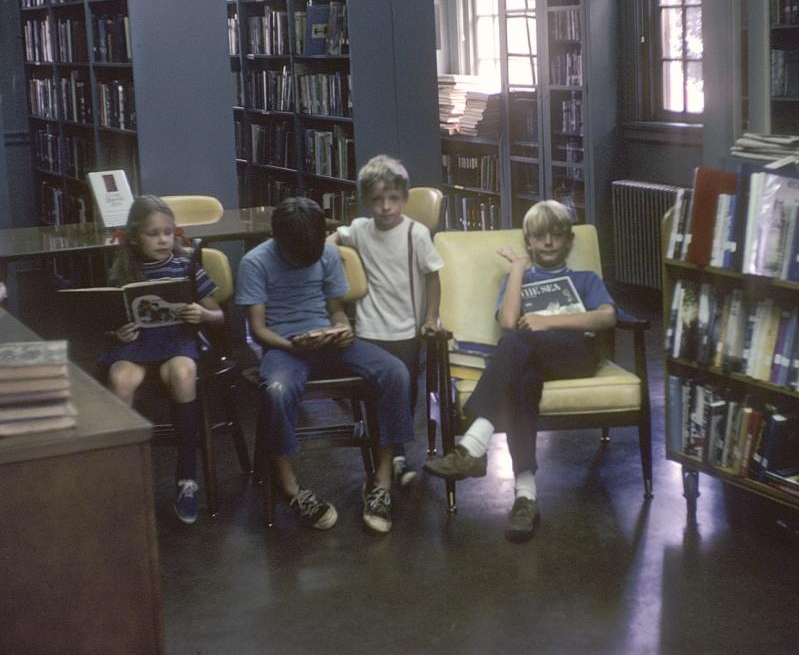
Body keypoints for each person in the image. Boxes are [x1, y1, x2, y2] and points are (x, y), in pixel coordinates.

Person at [423, 199, 616, 542]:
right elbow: (509, 321)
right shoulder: (519, 278)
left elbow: (606, 317)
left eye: (556, 235)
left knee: (514, 344)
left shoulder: (584, 279)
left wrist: (548, 321)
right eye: (539, 237)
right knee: (522, 380)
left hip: (576, 355)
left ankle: (472, 446)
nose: (548, 243)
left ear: (569, 240)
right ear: (529, 241)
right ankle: (525, 497)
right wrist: (517, 268)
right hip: (534, 361)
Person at [235, 197, 414, 534]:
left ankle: (381, 480)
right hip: (284, 344)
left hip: (328, 341)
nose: (307, 260)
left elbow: (335, 310)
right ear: (280, 242)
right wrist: (293, 344)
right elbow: (258, 330)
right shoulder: (255, 262)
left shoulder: (328, 253)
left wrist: (342, 328)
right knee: (275, 389)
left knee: (395, 372)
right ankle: (290, 487)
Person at [100, 195, 224, 525]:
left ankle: (187, 476)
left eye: (168, 232)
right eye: (153, 234)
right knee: (120, 379)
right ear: (135, 236)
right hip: (138, 344)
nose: (162, 240)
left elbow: (220, 314)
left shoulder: (186, 266)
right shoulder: (123, 269)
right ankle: (120, 477)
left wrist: (202, 314)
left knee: (183, 373)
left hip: (177, 341)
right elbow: (109, 320)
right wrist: (118, 333)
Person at [327, 155, 443, 487]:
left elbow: (433, 277)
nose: (386, 207)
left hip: (406, 328)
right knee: (377, 393)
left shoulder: (416, 234)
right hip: (370, 328)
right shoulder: (361, 230)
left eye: (393, 199)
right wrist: (330, 247)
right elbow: (337, 236)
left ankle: (398, 453)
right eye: (377, 200)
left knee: (405, 393)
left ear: (405, 199)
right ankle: (393, 455)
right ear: (366, 201)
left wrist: (431, 318)